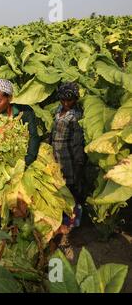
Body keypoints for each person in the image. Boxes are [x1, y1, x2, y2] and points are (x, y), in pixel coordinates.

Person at [50, 82, 85, 229]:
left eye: (69, 100)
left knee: (72, 188)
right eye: (63, 100)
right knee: (62, 187)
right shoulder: (59, 110)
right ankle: (65, 216)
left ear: (75, 99)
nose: (65, 103)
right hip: (57, 155)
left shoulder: (75, 116)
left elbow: (78, 141)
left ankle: (74, 221)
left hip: (70, 158)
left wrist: (79, 162)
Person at [0, 79, 40, 166]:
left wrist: (27, 161)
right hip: (1, 164)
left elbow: (33, 136)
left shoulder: (25, 112)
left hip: (25, 160)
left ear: (9, 98)